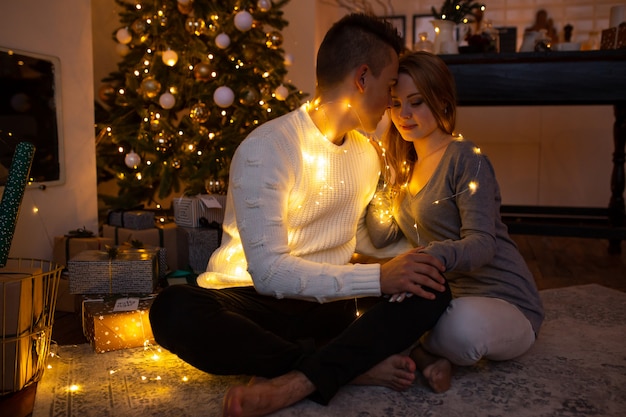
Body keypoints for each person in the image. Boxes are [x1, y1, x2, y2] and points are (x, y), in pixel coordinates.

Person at [149, 14, 452, 417]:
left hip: (326, 305)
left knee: (431, 286)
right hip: (250, 302)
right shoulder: (268, 148)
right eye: (390, 85)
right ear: (363, 78)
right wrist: (379, 277)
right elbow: (271, 273)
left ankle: (298, 375)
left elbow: (355, 243)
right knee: (172, 309)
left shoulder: (366, 154)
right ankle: (339, 367)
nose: (391, 101)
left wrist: (405, 266)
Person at [366, 51, 545, 393]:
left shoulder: (465, 157)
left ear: (442, 102)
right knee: (365, 307)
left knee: (461, 329)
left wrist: (430, 257)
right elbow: (381, 233)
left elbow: (483, 243)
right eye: (395, 103)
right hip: (443, 297)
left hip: (505, 299)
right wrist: (383, 171)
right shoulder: (403, 168)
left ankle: (419, 350)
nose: (404, 114)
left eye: (416, 102)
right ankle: (427, 355)